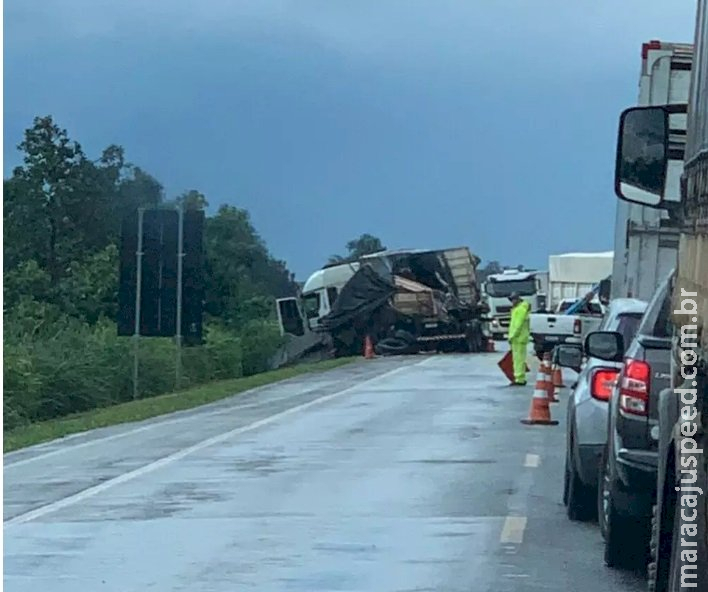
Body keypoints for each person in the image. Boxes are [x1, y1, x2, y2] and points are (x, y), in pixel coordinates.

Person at [507, 292, 531, 386]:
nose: (512, 302)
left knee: (519, 359)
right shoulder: (520, 309)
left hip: (518, 338)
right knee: (518, 359)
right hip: (518, 338)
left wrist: (512, 336)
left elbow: (518, 325)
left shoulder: (520, 310)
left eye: (513, 300)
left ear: (517, 299)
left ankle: (520, 379)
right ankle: (519, 377)